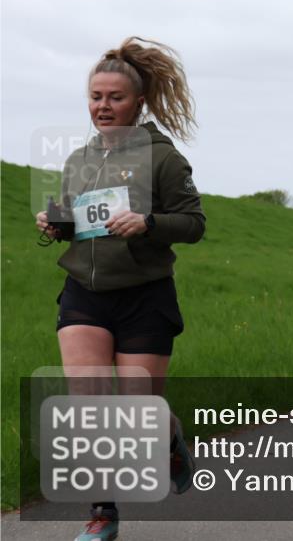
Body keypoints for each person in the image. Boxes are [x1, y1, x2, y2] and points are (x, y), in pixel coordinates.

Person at [35, 37, 204, 541]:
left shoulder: (164, 159)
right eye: (95, 97)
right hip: (84, 293)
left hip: (144, 297)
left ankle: (170, 443)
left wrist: (148, 222)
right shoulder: (78, 159)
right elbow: (76, 222)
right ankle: (103, 513)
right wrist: (54, 224)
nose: (102, 107)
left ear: (139, 101)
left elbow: (193, 224)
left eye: (114, 97)